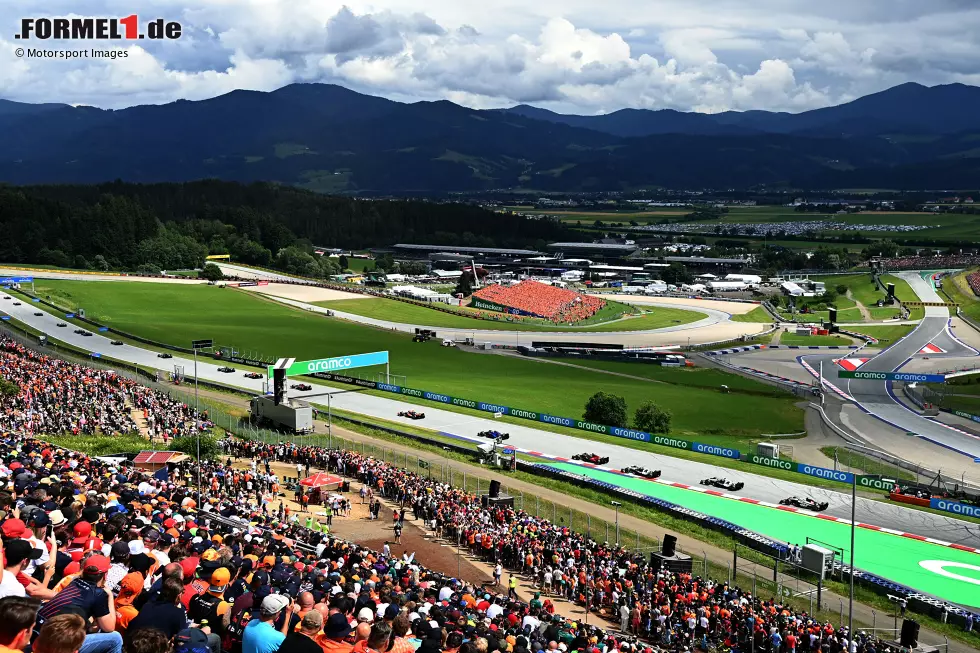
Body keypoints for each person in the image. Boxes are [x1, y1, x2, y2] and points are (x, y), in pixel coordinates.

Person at [36, 555, 121, 653]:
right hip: (56, 642)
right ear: (105, 575)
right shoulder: (98, 593)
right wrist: (110, 595)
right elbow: (109, 627)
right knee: (116, 638)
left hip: (40, 631)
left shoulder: (74, 582)